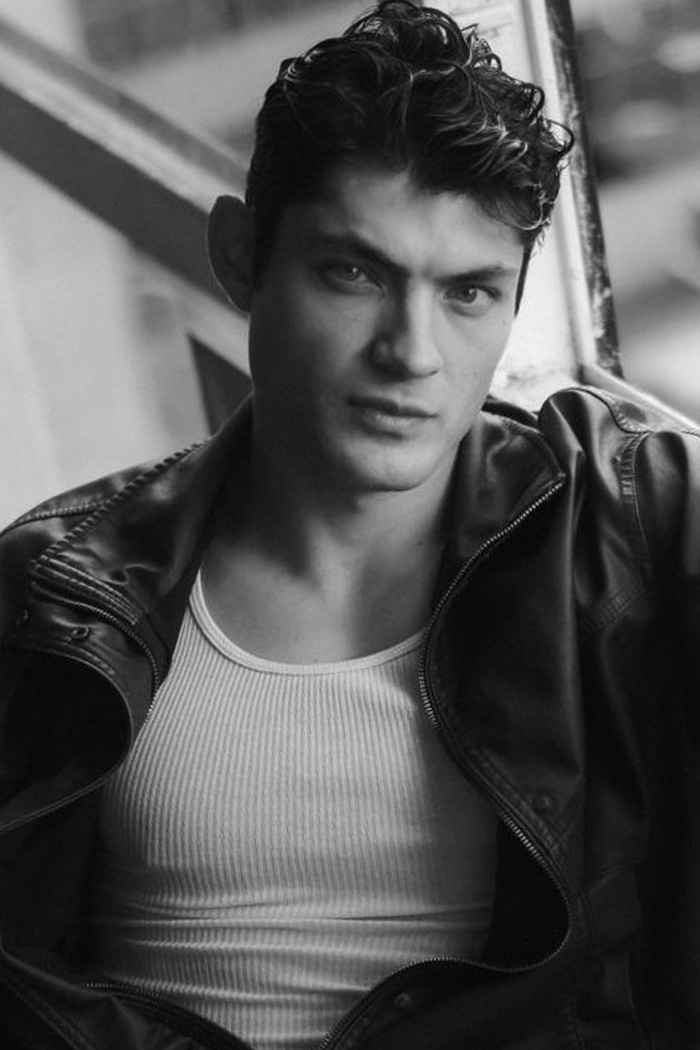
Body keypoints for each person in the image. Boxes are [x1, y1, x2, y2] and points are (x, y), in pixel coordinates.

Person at [0, 1, 698, 1047]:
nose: (411, 353)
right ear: (240, 255)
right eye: (356, 273)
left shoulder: (617, 520)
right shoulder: (54, 592)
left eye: (468, 294)